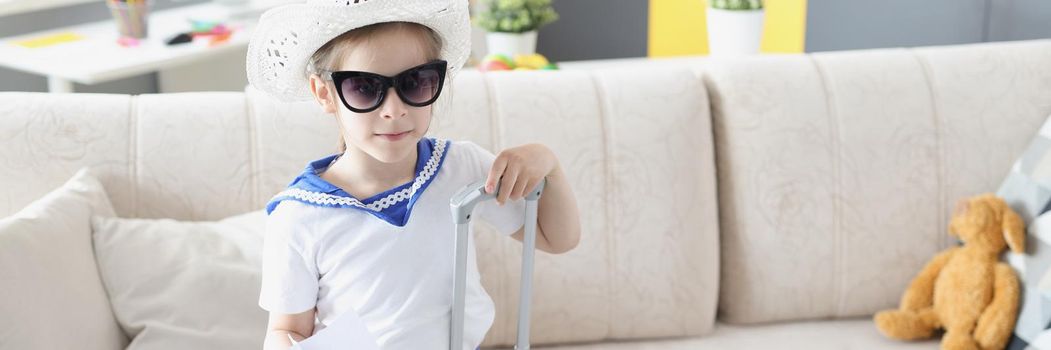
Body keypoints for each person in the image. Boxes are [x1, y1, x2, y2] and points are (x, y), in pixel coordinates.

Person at [244, 1, 582, 349]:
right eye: (364, 87)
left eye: (416, 83)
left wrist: (548, 163)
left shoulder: (461, 168)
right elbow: (288, 331)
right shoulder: (299, 216)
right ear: (324, 93)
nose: (394, 110)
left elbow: (556, 238)